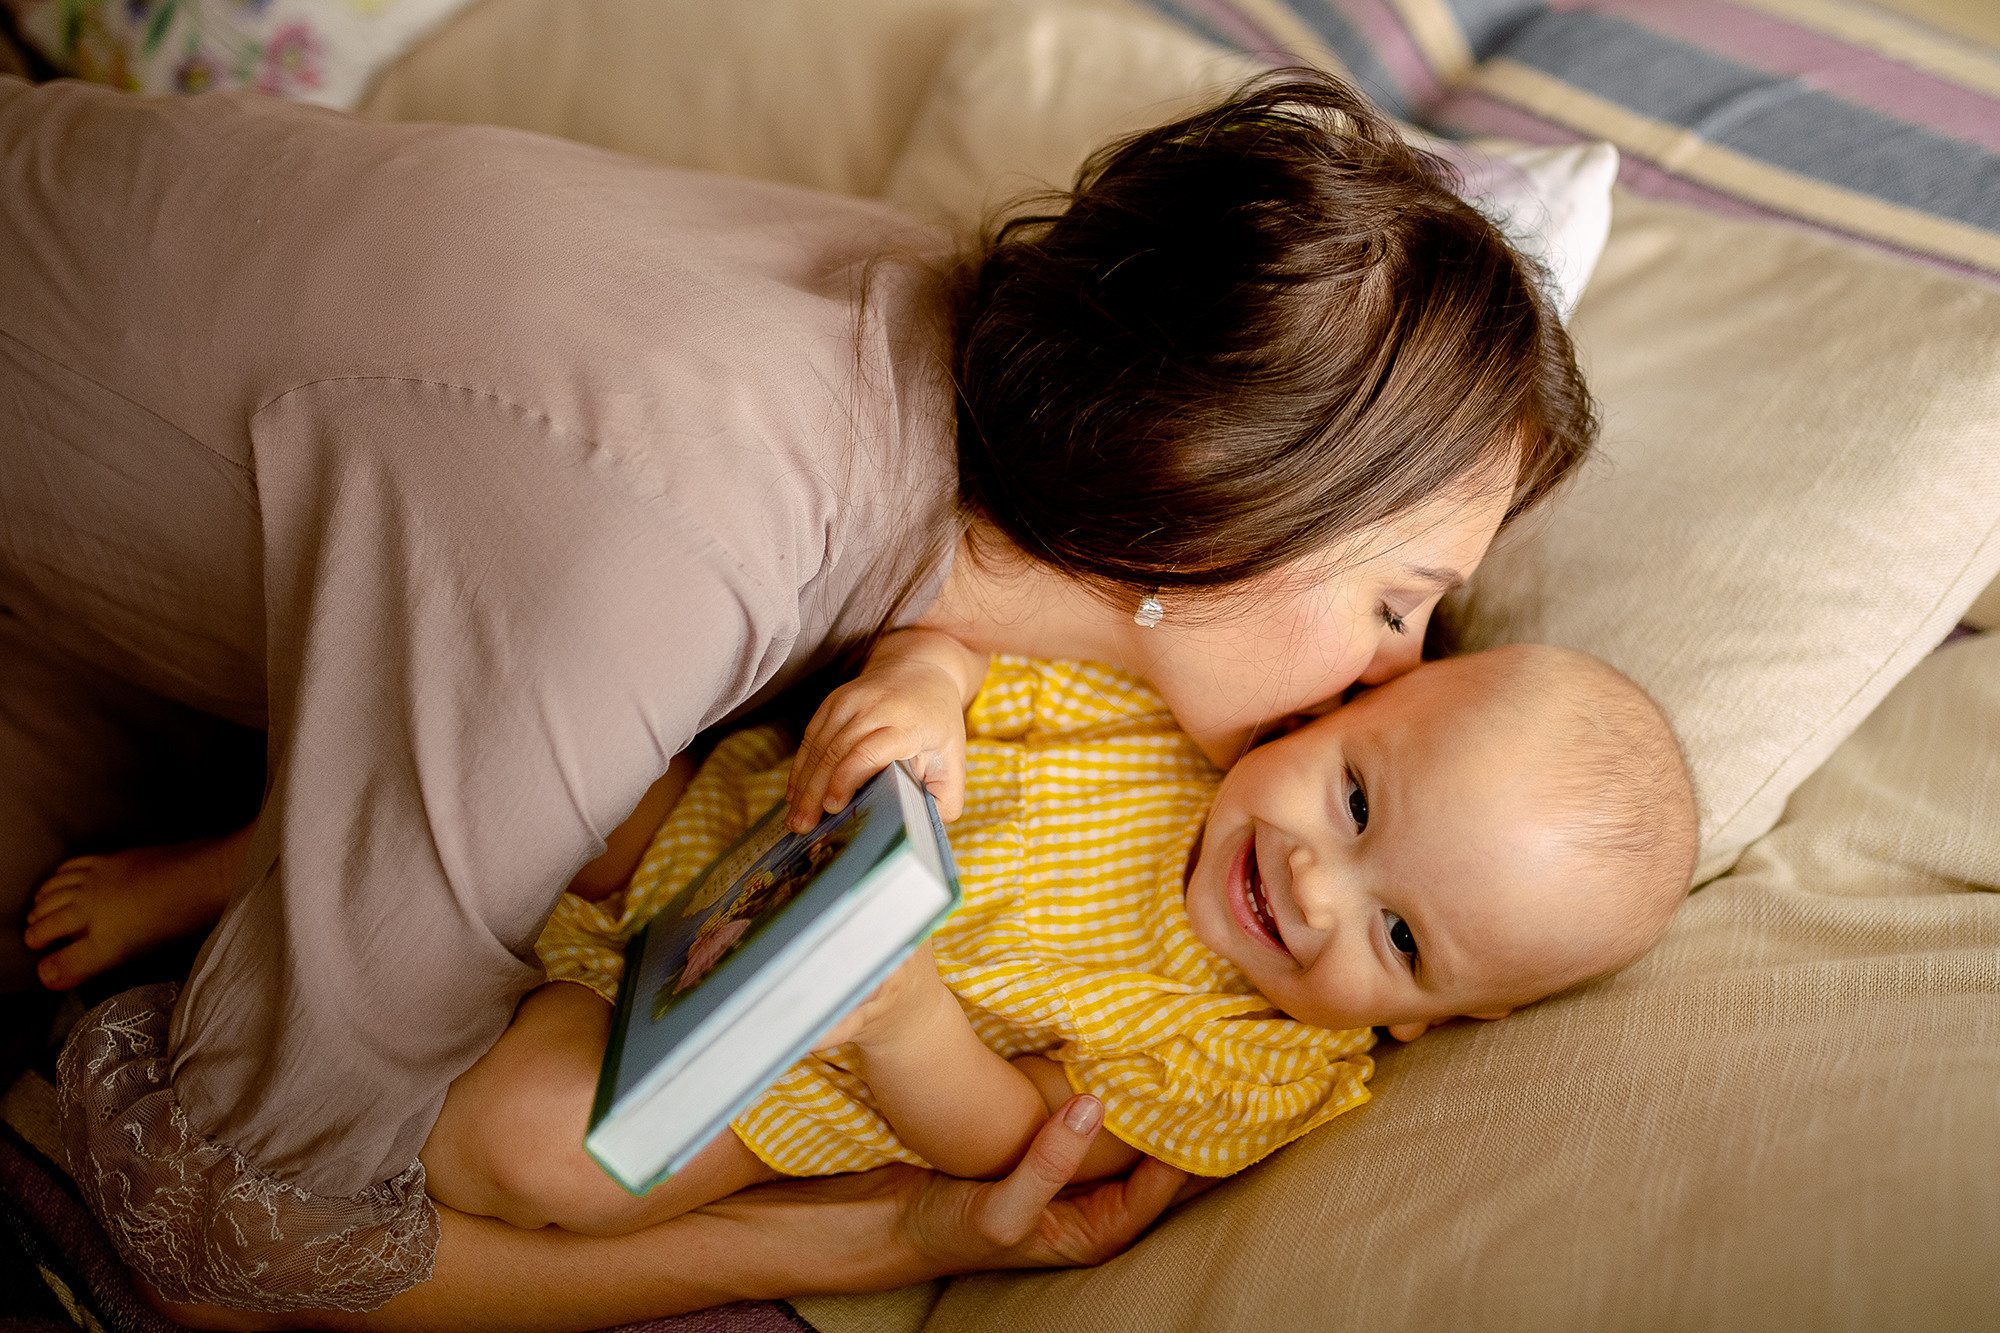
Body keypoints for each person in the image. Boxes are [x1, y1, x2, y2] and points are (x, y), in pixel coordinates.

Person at [3, 57, 1593, 1320]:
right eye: (1398, 604)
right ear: (1209, 496)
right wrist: (862, 1244)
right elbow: (223, 1247)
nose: (1396, 673)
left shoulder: (953, 389)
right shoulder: (678, 540)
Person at [418, 641, 1700, 1234]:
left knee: (535, 1154)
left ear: (1426, 1016)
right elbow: (965, 653)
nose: (1315, 889)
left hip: (761, 1075)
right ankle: (266, 875)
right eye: (1355, 800)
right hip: (718, 824)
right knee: (536, 752)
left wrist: (901, 1016)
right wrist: (922, 685)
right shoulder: (1163, 722)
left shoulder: (1255, 1059)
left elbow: (1014, 1140)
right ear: (1345, 702)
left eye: (1402, 937)